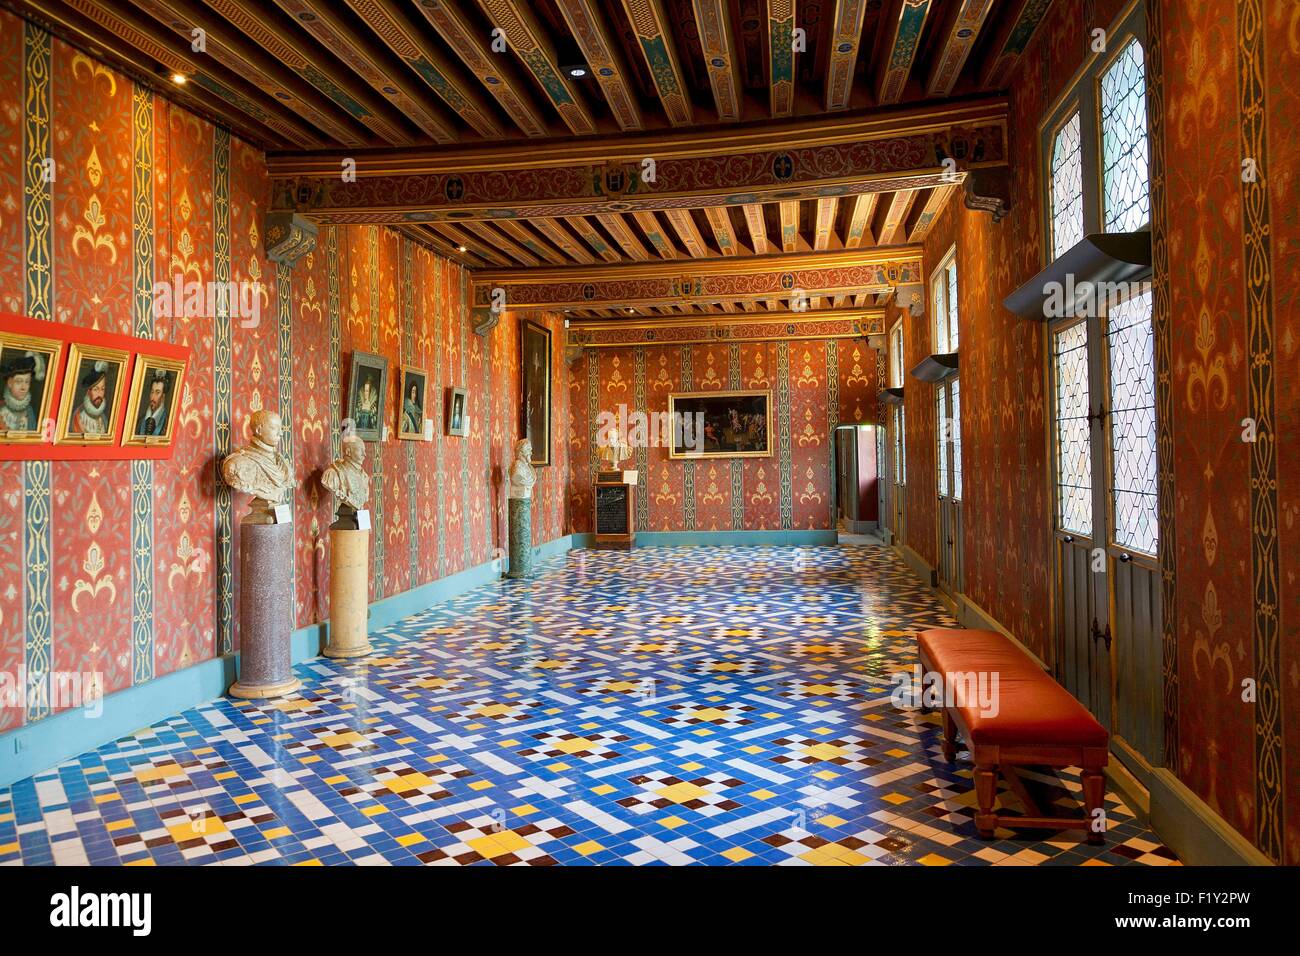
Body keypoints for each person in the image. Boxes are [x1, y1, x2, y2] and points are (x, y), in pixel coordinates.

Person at [1, 351, 42, 433]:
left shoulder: (30, 411)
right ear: (9, 383)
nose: (23, 387)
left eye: (27, 382)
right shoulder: (1, 408)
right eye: (19, 381)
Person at [70, 360, 111, 435]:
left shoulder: (104, 418)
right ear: (88, 392)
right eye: (96, 389)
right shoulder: (78, 416)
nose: (99, 394)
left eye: (102, 389)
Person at [135, 369, 169, 437]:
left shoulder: (167, 422)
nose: (152, 398)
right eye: (152, 392)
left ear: (163, 396)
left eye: (157, 392)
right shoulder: (140, 421)